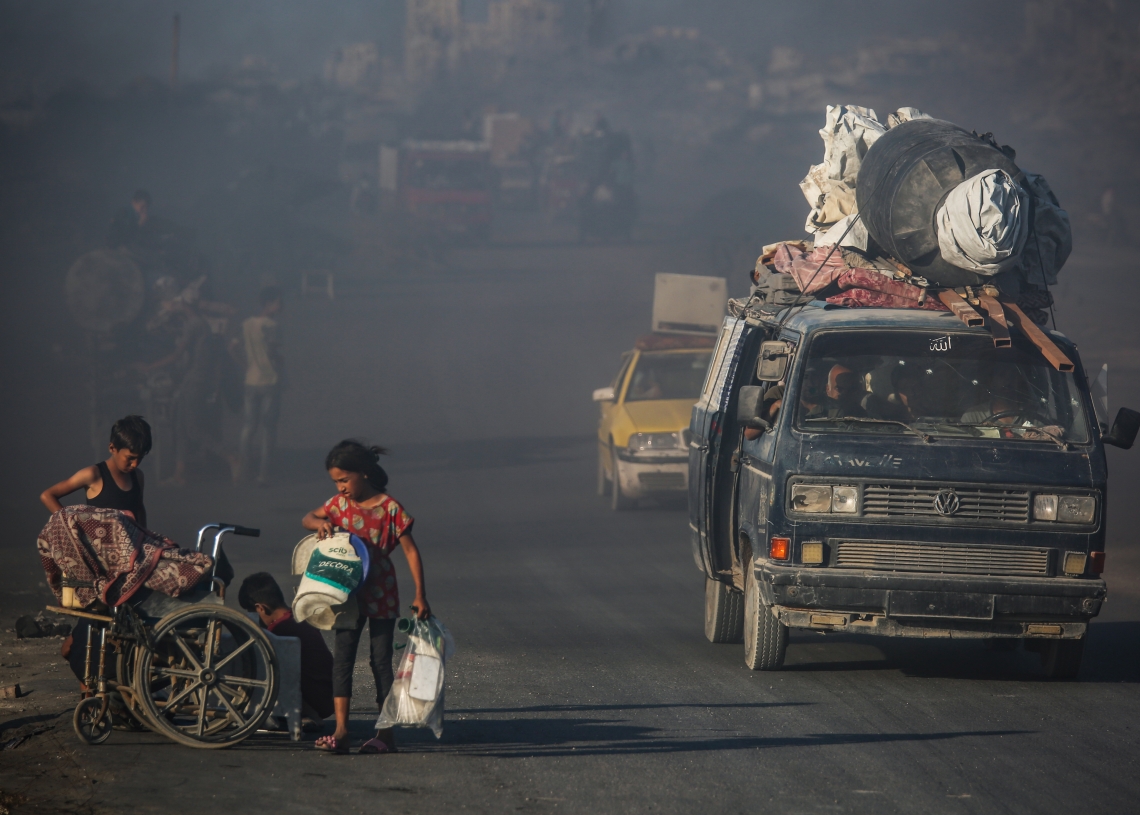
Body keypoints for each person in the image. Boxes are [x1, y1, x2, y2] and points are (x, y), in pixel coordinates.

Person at [301, 440, 431, 755]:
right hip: (346, 595)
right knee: (342, 660)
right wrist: (322, 524)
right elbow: (308, 517)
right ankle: (342, 730)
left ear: (364, 473)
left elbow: (411, 551)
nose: (340, 487)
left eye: (344, 480)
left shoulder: (390, 508)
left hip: (382, 593)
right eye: (336, 481)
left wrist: (420, 594)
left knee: (381, 662)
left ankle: (385, 734)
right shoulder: (337, 506)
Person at [238, 572, 334, 729]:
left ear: (261, 608)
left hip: (312, 700)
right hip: (326, 695)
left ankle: (307, 715)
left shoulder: (278, 630)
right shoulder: (298, 618)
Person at [40, 415, 151, 529]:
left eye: (140, 458)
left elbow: (139, 509)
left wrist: (144, 536)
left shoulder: (138, 476)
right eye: (130, 458)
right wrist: (72, 527)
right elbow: (48, 496)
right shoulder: (93, 474)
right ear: (112, 448)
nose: (135, 464)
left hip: (132, 545)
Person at [237, 286, 283, 484]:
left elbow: (233, 347)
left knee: (248, 427)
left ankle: (243, 469)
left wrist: (245, 366)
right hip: (269, 380)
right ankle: (263, 474)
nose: (281, 307)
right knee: (268, 429)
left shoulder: (246, 324)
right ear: (269, 304)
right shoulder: (271, 325)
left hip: (251, 379)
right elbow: (273, 352)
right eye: (278, 303)